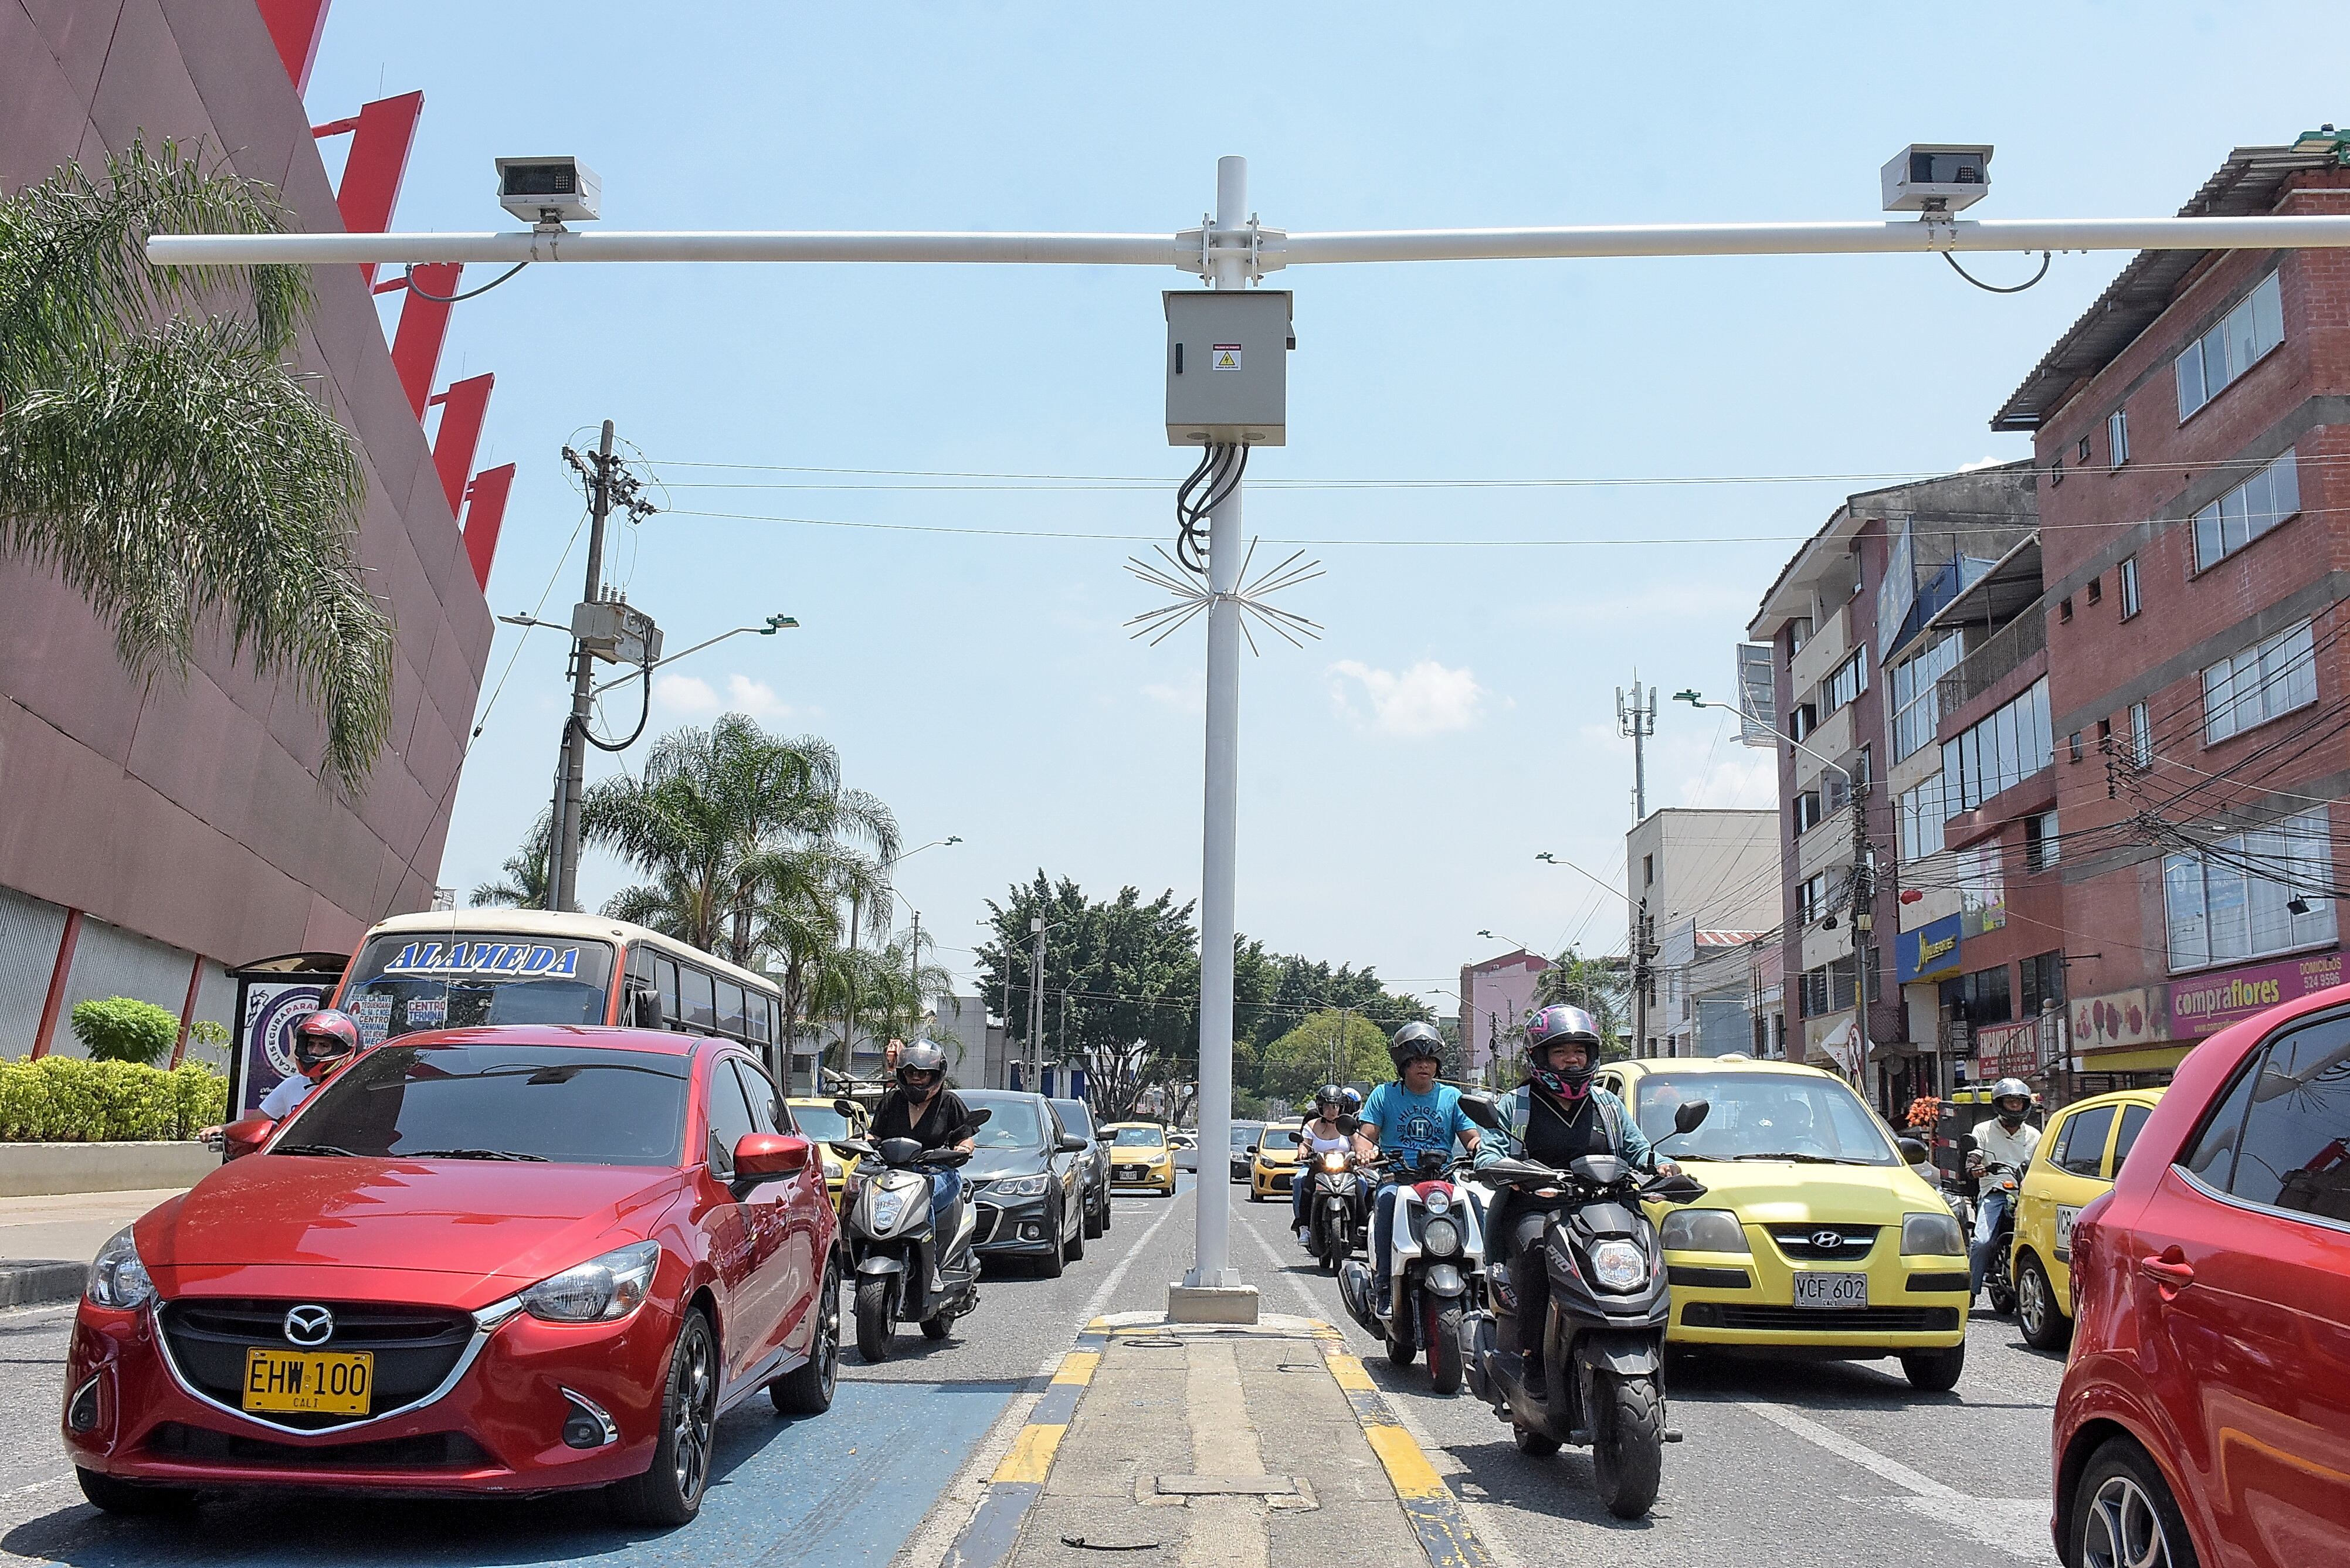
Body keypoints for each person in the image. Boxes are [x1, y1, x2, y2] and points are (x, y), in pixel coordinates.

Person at [1479, 1004, 1678, 1386]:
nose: (1571, 1059)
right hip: (1537, 1209)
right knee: (1537, 1248)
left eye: (1579, 1051)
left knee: (1646, 1247)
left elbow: (1639, 1151)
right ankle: (1533, 1357)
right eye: (1560, 1051)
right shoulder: (1516, 1105)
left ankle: (1650, 1355)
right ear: (1540, 1057)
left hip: (1602, 1208)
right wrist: (1511, 1171)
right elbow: (1489, 1152)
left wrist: (1663, 1166)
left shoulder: (1607, 1106)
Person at [1359, 1023, 1480, 1306]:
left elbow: (1471, 1137)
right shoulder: (1384, 1095)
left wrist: (1480, 1149)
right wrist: (1365, 1153)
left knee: (1473, 1202)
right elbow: (1366, 1137)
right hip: (1399, 1179)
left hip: (1443, 1180)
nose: (1423, 1066)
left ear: (1437, 1064)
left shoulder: (1452, 1097)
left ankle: (1481, 1281)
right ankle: (1385, 1286)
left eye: (1429, 1060)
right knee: (1386, 1200)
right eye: (1415, 1061)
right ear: (1403, 1064)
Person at [199, 1009, 363, 1148]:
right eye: (311, 1044)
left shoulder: (356, 1088)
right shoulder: (292, 1086)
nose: (314, 1051)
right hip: (297, 1162)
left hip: (342, 1164)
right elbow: (254, 1121)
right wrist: (223, 1128)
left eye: (324, 1046)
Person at [870, 1039, 978, 1249]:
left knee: (921, 1200)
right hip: (894, 1176)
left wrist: (962, 1150)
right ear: (902, 1074)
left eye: (923, 1073)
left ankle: (931, 1266)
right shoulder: (892, 1101)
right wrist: (862, 1143)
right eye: (911, 1074)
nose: (916, 1078)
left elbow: (965, 1138)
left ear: (936, 1075)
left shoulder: (949, 1102)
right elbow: (874, 1136)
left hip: (938, 1175)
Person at [1966, 1077, 2042, 1301]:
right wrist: (1976, 1168)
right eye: (2010, 1102)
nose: (2015, 1106)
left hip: (2027, 1195)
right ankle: (1970, 1291)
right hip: (1995, 1192)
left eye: (2019, 1102)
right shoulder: (1983, 1130)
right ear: (2000, 1104)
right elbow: (1974, 1156)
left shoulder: (2034, 1135)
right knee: (1982, 1242)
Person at [1293, 1084, 1374, 1243]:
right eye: (1328, 1106)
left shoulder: (1348, 1125)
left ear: (1341, 1107)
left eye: (1335, 1106)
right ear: (1320, 1107)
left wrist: (1363, 1154)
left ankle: (1362, 1226)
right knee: (1302, 1182)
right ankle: (1304, 1227)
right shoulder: (1311, 1125)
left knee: (1362, 1183)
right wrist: (1302, 1152)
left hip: (1345, 1168)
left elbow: (1358, 1143)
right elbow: (1304, 1143)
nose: (1332, 1111)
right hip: (1318, 1167)